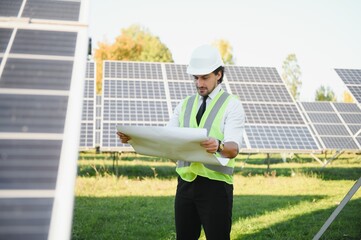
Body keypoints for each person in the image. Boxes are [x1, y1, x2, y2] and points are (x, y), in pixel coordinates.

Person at [117, 44, 245, 240]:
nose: (199, 83)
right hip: (185, 185)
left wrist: (218, 145)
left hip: (216, 188)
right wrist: (135, 138)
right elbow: (165, 139)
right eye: (196, 78)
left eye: (205, 77)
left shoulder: (232, 104)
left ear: (218, 74)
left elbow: (233, 149)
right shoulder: (184, 105)